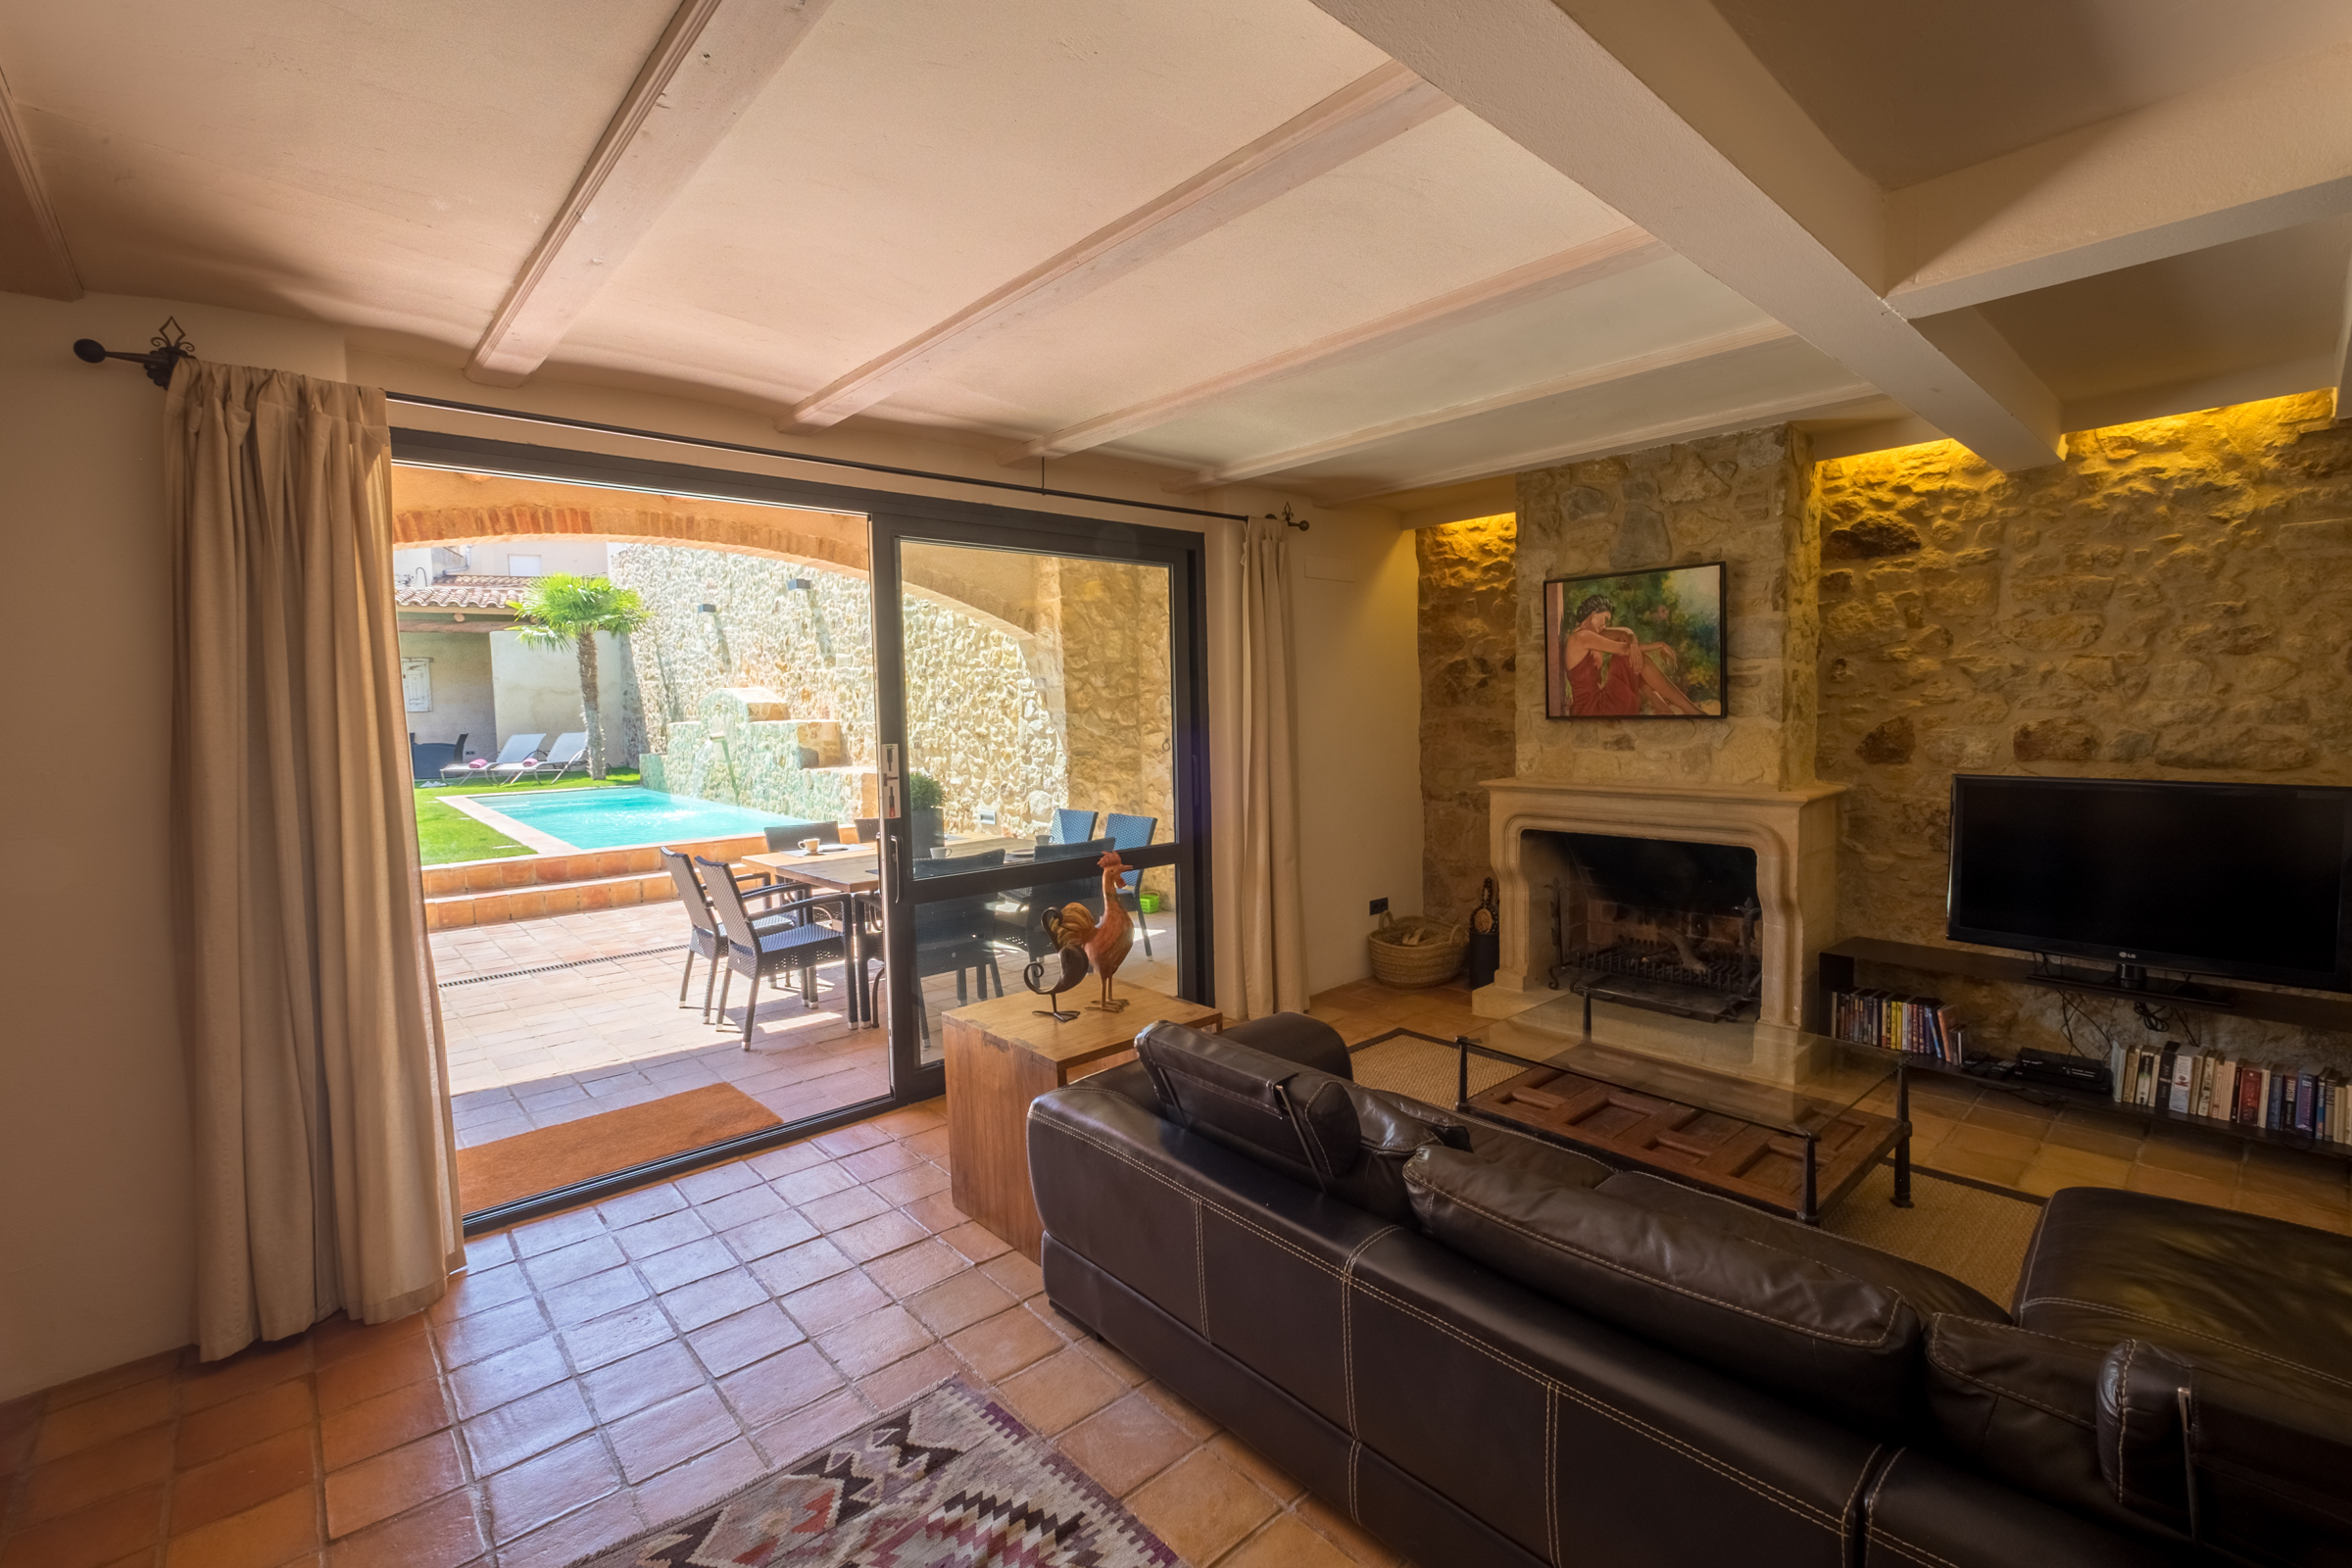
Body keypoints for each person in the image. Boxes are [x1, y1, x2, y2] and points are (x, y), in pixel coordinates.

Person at [1557, 593, 1702, 715]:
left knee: (1632, 656)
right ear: (1593, 615)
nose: (1605, 626)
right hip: (1594, 709)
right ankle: (1686, 709)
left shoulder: (1590, 633)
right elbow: (1624, 650)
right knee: (1628, 658)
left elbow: (1625, 632)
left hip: (1593, 705)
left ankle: (1664, 708)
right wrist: (1660, 645)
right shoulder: (1582, 637)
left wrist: (1633, 642)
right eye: (1605, 620)